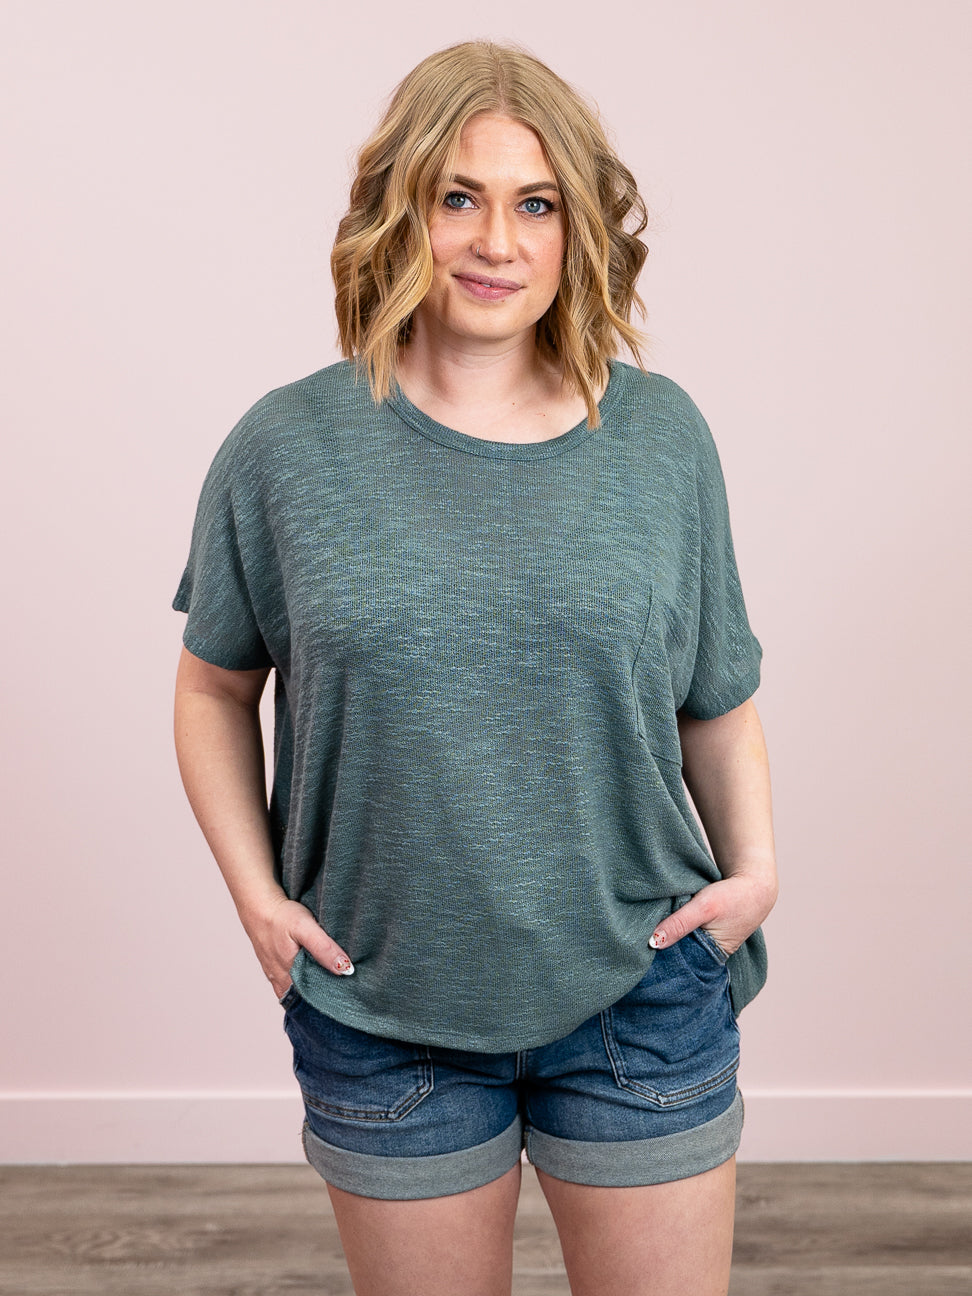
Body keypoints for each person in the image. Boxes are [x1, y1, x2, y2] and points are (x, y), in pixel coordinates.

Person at [173, 39, 778, 1296]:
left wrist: (757, 871)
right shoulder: (284, 451)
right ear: (399, 210)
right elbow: (213, 688)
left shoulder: (661, 438)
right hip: (385, 1009)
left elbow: (716, 698)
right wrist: (255, 896)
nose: (498, 241)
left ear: (577, 229)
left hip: (638, 989)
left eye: (536, 203)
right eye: (460, 197)